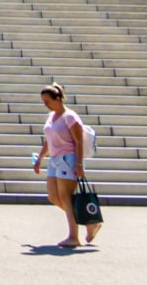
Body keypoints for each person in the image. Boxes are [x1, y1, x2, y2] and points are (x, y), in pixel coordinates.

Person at [33, 82, 98, 247]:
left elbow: (78, 142)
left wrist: (79, 164)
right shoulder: (51, 117)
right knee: (53, 197)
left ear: (57, 99)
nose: (46, 105)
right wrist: (40, 157)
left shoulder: (70, 117)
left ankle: (73, 237)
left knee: (66, 198)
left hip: (68, 159)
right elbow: (48, 140)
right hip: (54, 160)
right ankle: (89, 223)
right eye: (44, 102)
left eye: (47, 101)